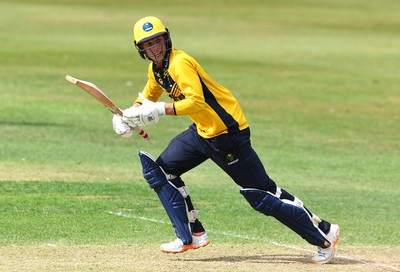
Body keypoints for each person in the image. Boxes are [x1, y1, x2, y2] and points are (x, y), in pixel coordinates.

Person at [112, 16, 340, 264]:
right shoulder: (157, 69)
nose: (155, 48)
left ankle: (323, 236)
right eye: (148, 44)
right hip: (203, 132)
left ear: (166, 40)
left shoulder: (180, 63)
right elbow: (147, 96)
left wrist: (158, 110)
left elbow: (195, 102)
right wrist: (127, 115)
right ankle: (192, 234)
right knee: (160, 171)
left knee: (261, 195)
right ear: (141, 49)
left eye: (158, 41)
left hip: (228, 135)